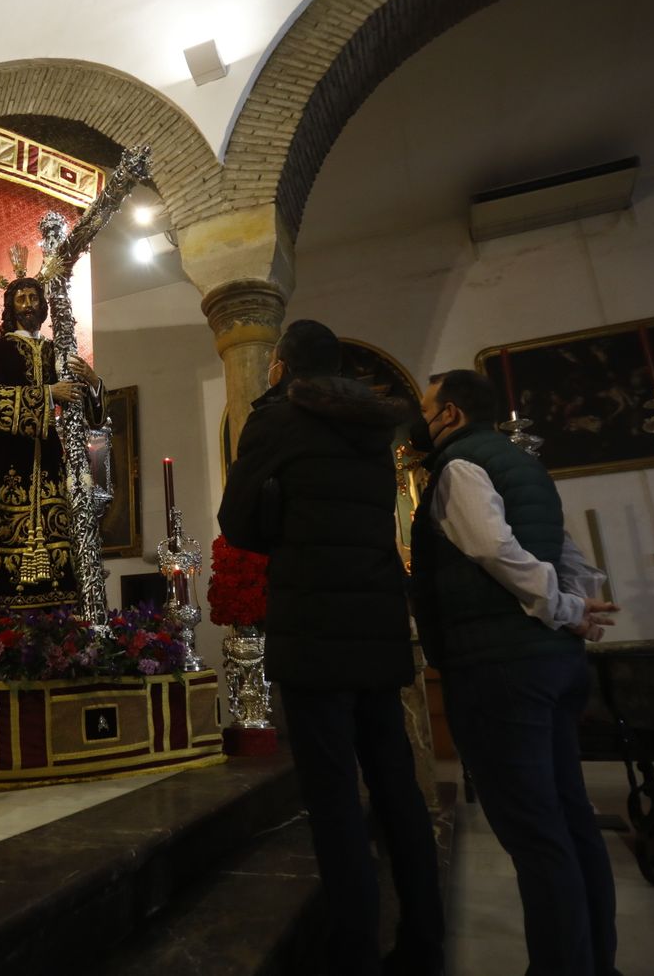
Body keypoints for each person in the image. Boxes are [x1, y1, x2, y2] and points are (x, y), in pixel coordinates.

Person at [219, 319, 444, 976]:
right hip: (376, 625)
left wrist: (277, 513)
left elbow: (238, 522)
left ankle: (353, 955)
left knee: (336, 801)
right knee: (397, 789)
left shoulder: (274, 419)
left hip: (315, 630)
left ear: (282, 368)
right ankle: (424, 944)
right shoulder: (375, 429)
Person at [408, 368, 620, 976]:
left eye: (426, 408)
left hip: (501, 667)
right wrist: (574, 608)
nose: (421, 420)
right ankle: (596, 963)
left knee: (535, 833)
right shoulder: (524, 464)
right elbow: (567, 552)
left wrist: (564, 607)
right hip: (551, 662)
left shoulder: (458, 467)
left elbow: (495, 550)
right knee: (571, 821)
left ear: (449, 413)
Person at [0, 276, 103, 609]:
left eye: (33, 298)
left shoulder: (57, 352)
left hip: (50, 459)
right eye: (21, 299)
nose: (29, 305)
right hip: (6, 461)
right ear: (10, 307)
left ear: (43, 305)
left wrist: (93, 383)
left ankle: (61, 620)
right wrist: (46, 395)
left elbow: (88, 417)